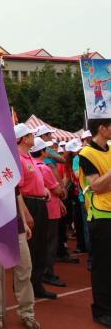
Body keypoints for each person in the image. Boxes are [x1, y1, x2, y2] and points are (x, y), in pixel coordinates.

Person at [0, 183, 40, 329]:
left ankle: (27, 313)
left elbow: (17, 194)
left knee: (24, 269)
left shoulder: (9, 172)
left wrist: (24, 222)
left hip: (15, 225)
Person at [13, 124, 57, 300]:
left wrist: (43, 189)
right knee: (30, 247)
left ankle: (36, 284)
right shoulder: (18, 158)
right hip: (29, 204)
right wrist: (25, 214)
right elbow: (18, 190)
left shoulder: (29, 157)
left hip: (39, 202)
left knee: (40, 246)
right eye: (31, 135)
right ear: (24, 139)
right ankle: (25, 285)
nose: (34, 137)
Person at [77, 118, 111, 327]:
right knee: (102, 266)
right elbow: (96, 186)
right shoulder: (86, 154)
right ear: (102, 128)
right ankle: (102, 311)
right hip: (101, 215)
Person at [31, 137, 68, 288]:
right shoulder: (44, 167)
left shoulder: (32, 165)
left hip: (39, 207)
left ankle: (41, 272)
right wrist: (61, 193)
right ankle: (48, 272)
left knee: (40, 242)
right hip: (50, 209)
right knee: (50, 243)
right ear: (42, 151)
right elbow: (56, 189)